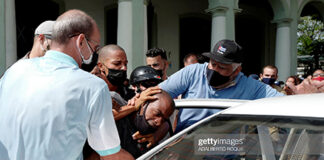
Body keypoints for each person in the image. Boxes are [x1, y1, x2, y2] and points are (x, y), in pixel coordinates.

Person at [0, 9, 133, 160]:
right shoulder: (92, 86)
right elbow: (111, 154)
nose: (93, 55)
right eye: (95, 48)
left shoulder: (14, 71)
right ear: (81, 41)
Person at [159, 39, 284, 133]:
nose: (214, 70)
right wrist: (158, 131)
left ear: (236, 71)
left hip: (223, 153)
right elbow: (157, 96)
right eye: (213, 64)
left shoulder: (250, 87)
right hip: (183, 149)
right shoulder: (192, 72)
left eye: (222, 67)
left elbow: (284, 103)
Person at [115, 90, 175, 158]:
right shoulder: (117, 124)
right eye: (157, 114)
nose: (159, 123)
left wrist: (156, 136)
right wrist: (133, 106)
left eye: (163, 119)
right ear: (143, 104)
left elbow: (166, 125)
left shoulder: (154, 131)